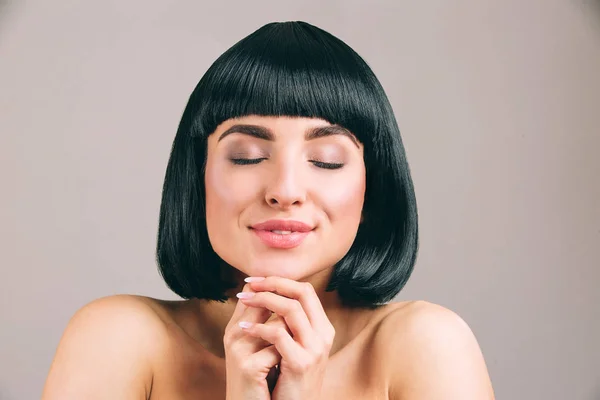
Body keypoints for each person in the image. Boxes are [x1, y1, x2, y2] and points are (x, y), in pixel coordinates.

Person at [42, 21, 495, 399]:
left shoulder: (427, 345)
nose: (285, 190)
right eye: (247, 157)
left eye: (326, 161)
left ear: (371, 186)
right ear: (196, 177)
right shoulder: (117, 338)